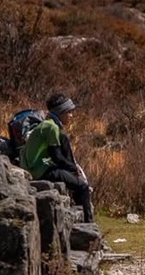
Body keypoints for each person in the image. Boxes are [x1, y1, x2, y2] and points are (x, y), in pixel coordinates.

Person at [20, 92, 94, 222]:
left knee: (74, 182)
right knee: (82, 187)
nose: (71, 116)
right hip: (41, 170)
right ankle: (88, 224)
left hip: (37, 167)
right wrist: (73, 168)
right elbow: (57, 157)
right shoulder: (52, 128)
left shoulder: (47, 124)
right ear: (61, 112)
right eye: (69, 112)